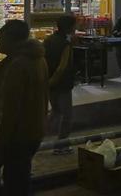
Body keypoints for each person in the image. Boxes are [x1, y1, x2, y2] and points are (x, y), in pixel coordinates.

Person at [0, 20, 49, 196]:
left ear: (12, 39)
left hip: (17, 134)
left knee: (12, 180)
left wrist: (0, 144)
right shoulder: (39, 59)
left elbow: (10, 110)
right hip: (34, 129)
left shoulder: (16, 65)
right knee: (19, 177)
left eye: (0, 38)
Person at [43, 14, 77, 155]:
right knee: (67, 115)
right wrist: (54, 80)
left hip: (49, 83)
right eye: (74, 26)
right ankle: (61, 145)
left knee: (55, 112)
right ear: (69, 27)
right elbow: (62, 67)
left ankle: (36, 138)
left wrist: (47, 82)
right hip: (62, 84)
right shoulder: (65, 44)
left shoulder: (48, 40)